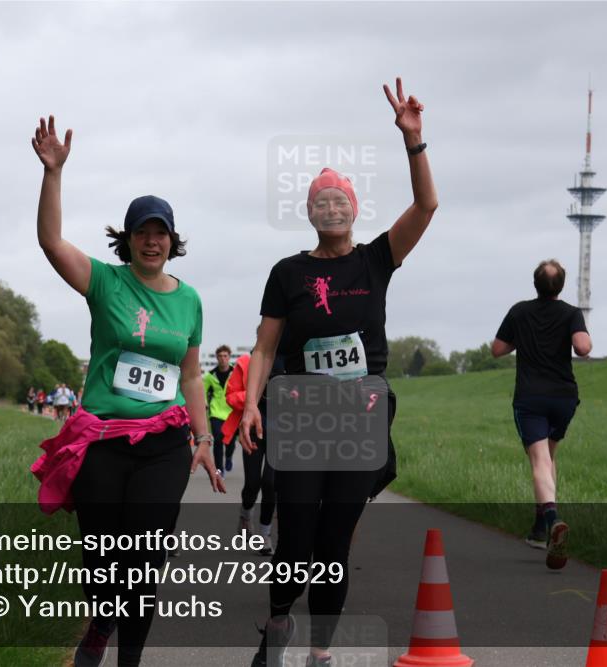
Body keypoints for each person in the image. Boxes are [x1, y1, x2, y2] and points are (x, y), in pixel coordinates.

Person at [239, 77, 437, 667]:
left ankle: (321, 650)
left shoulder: (376, 259)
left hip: (360, 416)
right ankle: (278, 622)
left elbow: (426, 206)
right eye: (320, 200)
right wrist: (250, 403)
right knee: (297, 539)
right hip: (300, 415)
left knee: (332, 544)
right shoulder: (288, 272)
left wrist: (414, 141)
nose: (331, 206)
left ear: (355, 208)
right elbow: (266, 347)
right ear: (309, 213)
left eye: (340, 198)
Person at [29, 114, 224, 667]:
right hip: (101, 441)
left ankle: (129, 660)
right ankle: (100, 621)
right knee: (100, 557)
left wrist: (204, 439)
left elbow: (189, 375)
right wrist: (53, 174)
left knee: (142, 560)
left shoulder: (189, 300)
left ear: (172, 241)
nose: (152, 240)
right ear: (129, 239)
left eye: (160, 232)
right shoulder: (105, 283)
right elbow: (50, 241)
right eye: (143, 232)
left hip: (161, 442)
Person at [490, 259, 592, 570]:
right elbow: (584, 347)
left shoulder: (520, 311)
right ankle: (539, 530)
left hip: (531, 397)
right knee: (548, 458)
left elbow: (497, 349)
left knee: (539, 461)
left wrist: (521, 339)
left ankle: (552, 520)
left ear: (535, 284)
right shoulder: (572, 313)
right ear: (561, 285)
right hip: (563, 397)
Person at [221, 349, 279, 557]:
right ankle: (246, 515)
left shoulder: (291, 360)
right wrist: (254, 394)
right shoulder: (246, 363)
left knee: (271, 484)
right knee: (253, 483)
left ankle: (265, 534)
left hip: (282, 432)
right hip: (253, 431)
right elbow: (230, 396)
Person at [203, 345, 234, 476]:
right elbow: (203, 391)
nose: (223, 359)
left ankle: (228, 457)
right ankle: (219, 469)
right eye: (220, 356)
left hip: (232, 412)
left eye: (225, 356)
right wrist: (204, 401)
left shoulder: (236, 372)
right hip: (216, 411)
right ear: (217, 357)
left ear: (229, 357)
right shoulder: (210, 375)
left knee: (230, 441)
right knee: (218, 439)